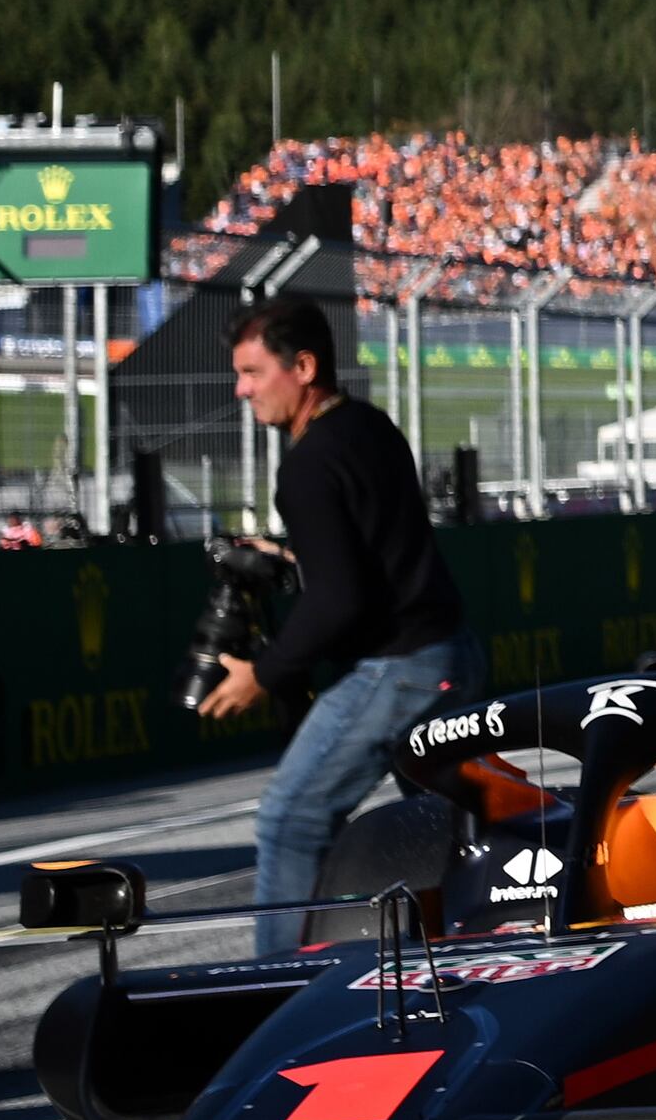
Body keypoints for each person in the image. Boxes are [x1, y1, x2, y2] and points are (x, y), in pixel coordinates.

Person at [193, 296, 468, 957]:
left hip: (401, 667)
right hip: (451, 651)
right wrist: (293, 558)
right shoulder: (371, 426)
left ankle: (279, 996)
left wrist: (265, 672)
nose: (242, 389)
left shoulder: (308, 463)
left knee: (290, 819)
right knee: (462, 832)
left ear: (304, 366)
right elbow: (374, 558)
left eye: (253, 373)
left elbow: (341, 601)